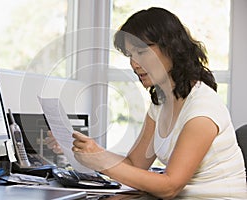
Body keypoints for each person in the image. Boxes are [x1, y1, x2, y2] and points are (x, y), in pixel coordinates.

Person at [47, 7, 247, 199]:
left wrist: (100, 161)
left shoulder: (202, 108)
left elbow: (169, 187)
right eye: (130, 55)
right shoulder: (160, 104)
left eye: (141, 52)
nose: (134, 63)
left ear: (172, 48)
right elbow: (134, 163)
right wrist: (88, 149)